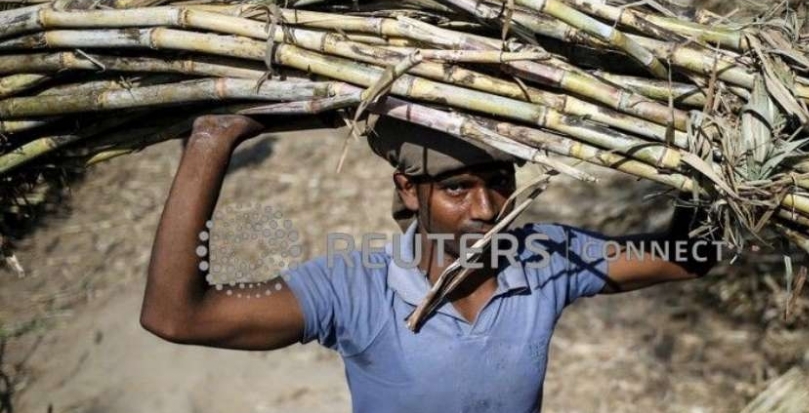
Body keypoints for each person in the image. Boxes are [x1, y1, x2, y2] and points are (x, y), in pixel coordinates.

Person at [140, 112, 719, 413]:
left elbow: (686, 259)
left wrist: (705, 159)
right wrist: (213, 142)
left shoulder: (540, 260)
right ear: (410, 190)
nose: (487, 209)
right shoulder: (356, 288)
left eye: (498, 183)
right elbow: (176, 316)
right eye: (457, 188)